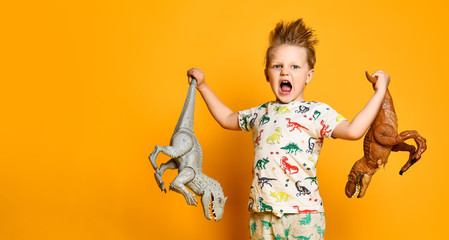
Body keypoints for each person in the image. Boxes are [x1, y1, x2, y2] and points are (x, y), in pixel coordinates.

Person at [187, 18, 390, 240]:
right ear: (267, 74)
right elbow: (227, 118)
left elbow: (353, 130)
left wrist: (380, 93)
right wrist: (204, 87)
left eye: (294, 66)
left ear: (308, 75)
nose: (285, 72)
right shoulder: (260, 113)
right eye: (277, 66)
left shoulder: (316, 112)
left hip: (304, 215)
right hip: (262, 214)